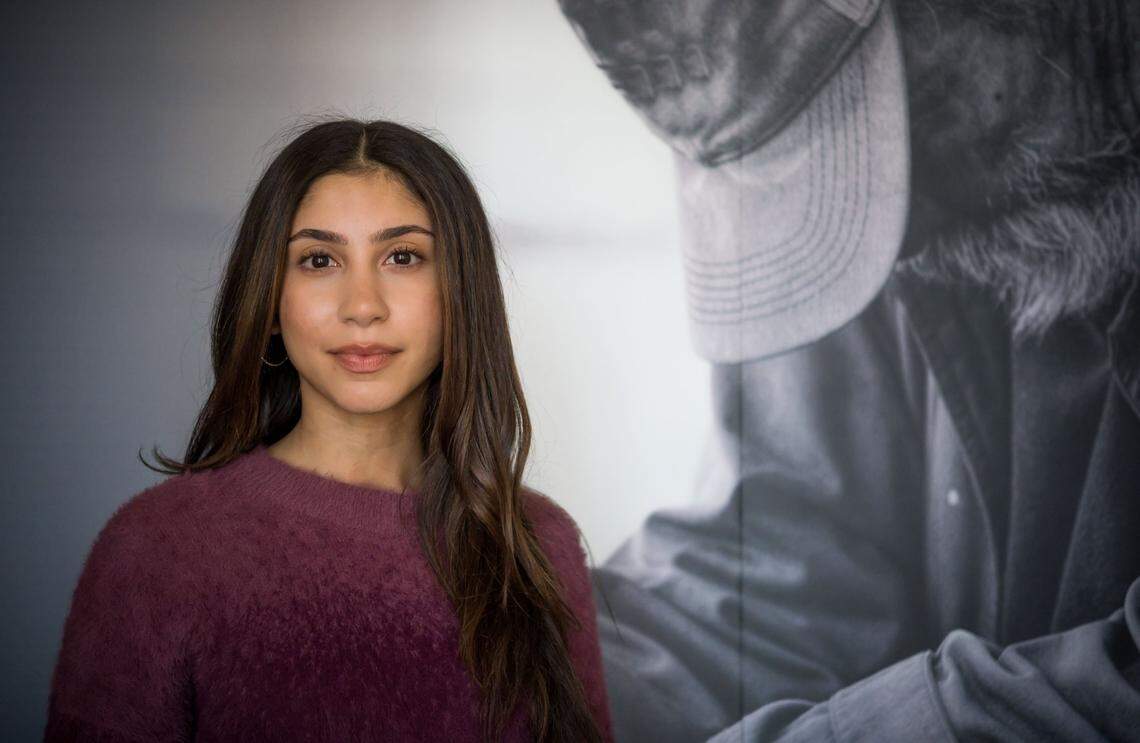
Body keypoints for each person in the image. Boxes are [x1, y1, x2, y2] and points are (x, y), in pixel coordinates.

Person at [556, 0, 1140, 740]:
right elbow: (783, 561)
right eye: (801, 161)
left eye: (887, 124)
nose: (891, 243)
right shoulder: (892, 214)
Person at [43, 118, 614, 743]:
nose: (362, 305)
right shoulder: (155, 551)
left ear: (461, 296)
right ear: (269, 302)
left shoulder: (540, 547)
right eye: (319, 260)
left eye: (403, 257)